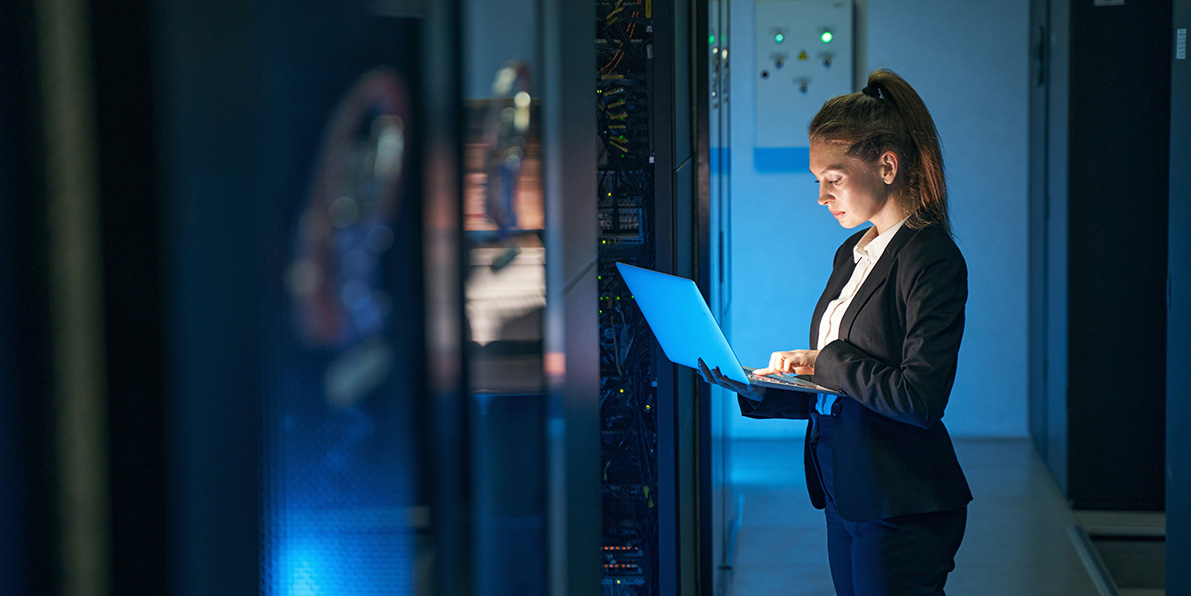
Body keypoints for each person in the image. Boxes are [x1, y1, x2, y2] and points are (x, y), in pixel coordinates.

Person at [699, 69, 971, 596]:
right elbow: (847, 388)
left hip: (901, 502)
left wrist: (825, 360)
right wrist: (760, 387)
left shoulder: (931, 257)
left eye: (834, 177)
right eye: (817, 179)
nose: (822, 196)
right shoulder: (853, 252)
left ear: (887, 165)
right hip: (847, 487)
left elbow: (919, 397)